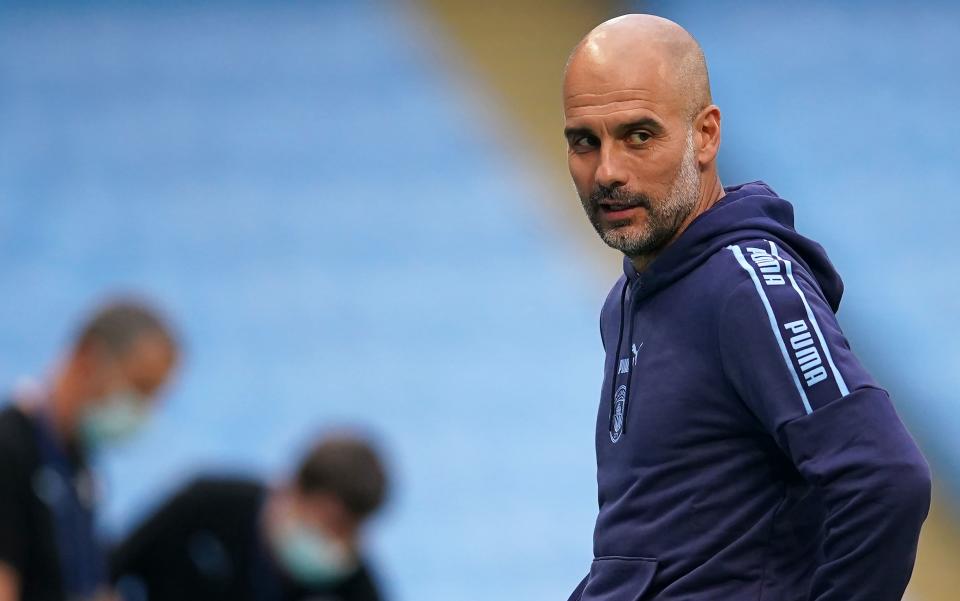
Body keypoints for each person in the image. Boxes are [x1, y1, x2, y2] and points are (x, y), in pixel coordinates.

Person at [561, 14, 931, 601]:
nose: (607, 171)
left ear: (705, 136)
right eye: (585, 141)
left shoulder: (747, 286)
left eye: (639, 135)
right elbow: (647, 551)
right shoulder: (631, 296)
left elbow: (885, 480)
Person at [0, 300, 180, 601]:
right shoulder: (10, 449)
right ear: (87, 359)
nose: (144, 410)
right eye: (140, 388)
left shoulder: (77, 463)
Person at [111, 433, 388, 601]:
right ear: (290, 489)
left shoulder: (350, 580)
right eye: (328, 524)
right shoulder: (205, 506)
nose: (333, 541)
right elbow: (104, 573)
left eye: (348, 533)